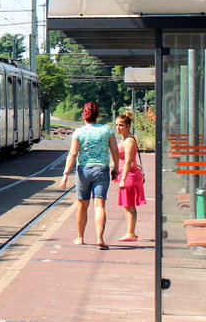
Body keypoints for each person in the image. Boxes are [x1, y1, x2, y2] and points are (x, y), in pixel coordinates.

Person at [60, 101, 120, 249]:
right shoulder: (107, 130)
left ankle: (80, 237)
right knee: (99, 205)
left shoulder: (79, 132)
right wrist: (116, 168)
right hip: (101, 170)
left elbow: (73, 153)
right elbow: (114, 150)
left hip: (84, 170)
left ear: (83, 115)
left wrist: (66, 173)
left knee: (82, 205)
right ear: (97, 115)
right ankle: (100, 238)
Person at [114, 112, 147, 241]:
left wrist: (122, 179)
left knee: (129, 205)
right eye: (116, 125)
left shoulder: (129, 140)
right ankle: (130, 231)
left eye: (121, 125)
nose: (118, 128)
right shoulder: (124, 138)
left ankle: (131, 233)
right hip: (125, 175)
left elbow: (128, 161)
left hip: (129, 176)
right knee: (126, 204)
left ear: (128, 126)